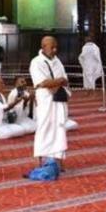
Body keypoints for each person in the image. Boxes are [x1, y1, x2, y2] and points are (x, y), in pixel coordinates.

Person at [29, 36, 69, 167]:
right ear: (43, 47)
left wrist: (57, 81)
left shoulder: (58, 61)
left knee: (59, 128)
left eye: (56, 47)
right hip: (45, 100)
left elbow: (65, 80)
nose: (55, 50)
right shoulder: (36, 62)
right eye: (52, 47)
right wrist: (59, 81)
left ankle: (58, 161)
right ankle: (39, 160)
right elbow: (42, 82)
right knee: (44, 127)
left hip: (59, 100)